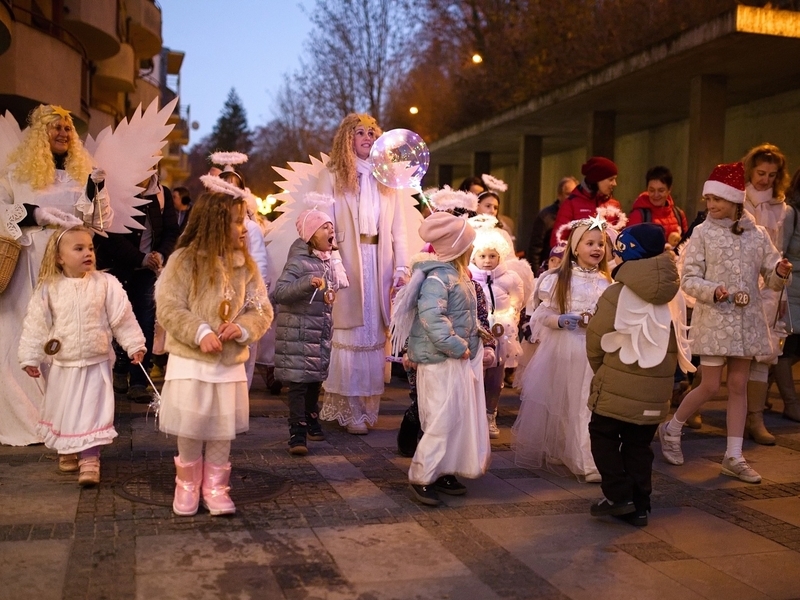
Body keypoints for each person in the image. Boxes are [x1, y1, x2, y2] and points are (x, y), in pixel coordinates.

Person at [658, 163, 791, 484]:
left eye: (718, 199)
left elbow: (771, 276)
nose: (712, 205)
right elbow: (688, 280)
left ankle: (734, 455)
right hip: (716, 319)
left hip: (747, 321)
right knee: (709, 384)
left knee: (738, 386)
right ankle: (671, 428)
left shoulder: (757, 235)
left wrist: (781, 272)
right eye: (709, 200)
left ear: (735, 201)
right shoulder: (702, 234)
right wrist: (713, 291)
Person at [155, 190, 273, 517]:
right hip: (191, 363)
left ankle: (216, 486)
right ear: (215, 222)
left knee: (222, 428)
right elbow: (168, 306)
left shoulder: (245, 266)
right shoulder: (183, 261)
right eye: (237, 221)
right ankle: (187, 484)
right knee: (191, 425)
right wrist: (200, 331)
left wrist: (243, 327)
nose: (244, 228)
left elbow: (261, 309)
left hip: (227, 363)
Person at [0, 104, 110, 446]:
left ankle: (66, 416)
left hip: (69, 266)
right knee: (22, 334)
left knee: (66, 335)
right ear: (40, 132)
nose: (62, 133)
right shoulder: (17, 172)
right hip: (29, 263)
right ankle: (29, 416)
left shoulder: (82, 172)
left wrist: (96, 190)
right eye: (55, 127)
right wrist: (32, 213)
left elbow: (100, 222)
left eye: (67, 128)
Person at [18, 226, 145, 484]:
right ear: (59, 257)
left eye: (89, 248)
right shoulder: (49, 288)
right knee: (63, 408)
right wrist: (30, 356)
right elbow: (36, 324)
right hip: (63, 364)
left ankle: (90, 457)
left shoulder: (106, 285)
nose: (88, 253)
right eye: (78, 249)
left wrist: (135, 345)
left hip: (96, 362)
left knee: (92, 410)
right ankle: (67, 448)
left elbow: (122, 318)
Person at [586, 224, 694, 526]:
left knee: (603, 434)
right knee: (639, 446)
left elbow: (596, 338)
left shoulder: (617, 293)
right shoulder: (675, 296)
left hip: (616, 384)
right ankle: (640, 506)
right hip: (656, 391)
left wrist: (603, 373)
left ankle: (619, 495)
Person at [315, 113, 411, 435]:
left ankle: (368, 407)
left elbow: (398, 227)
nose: (368, 138)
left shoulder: (387, 177)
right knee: (350, 330)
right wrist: (333, 262)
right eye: (360, 133)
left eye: (372, 133)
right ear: (348, 138)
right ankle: (350, 407)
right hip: (347, 259)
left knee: (373, 333)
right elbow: (324, 222)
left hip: (378, 261)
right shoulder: (333, 174)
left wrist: (401, 267)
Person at [391, 212, 491, 506]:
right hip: (440, 359)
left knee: (456, 415)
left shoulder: (457, 276)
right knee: (441, 418)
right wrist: (458, 345)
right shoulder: (438, 277)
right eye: (469, 243)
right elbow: (433, 318)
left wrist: (478, 333)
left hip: (457, 358)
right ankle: (422, 475)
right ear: (459, 246)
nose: (473, 248)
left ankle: (445, 470)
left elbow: (461, 316)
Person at [513, 216, 612, 482]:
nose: (596, 248)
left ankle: (587, 460)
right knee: (566, 400)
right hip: (566, 347)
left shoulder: (607, 282)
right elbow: (541, 315)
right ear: (575, 247)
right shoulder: (557, 279)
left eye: (600, 244)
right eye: (589, 243)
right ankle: (564, 447)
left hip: (595, 349)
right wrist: (560, 320)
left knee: (586, 403)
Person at [95, 172, 178, 402]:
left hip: (147, 272)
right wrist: (140, 257)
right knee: (117, 318)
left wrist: (160, 254)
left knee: (145, 320)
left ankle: (140, 380)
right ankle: (120, 367)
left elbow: (171, 230)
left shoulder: (162, 194)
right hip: (118, 268)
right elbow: (108, 234)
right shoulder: (117, 192)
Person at [273, 196, 336, 455]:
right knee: (298, 384)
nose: (331, 230)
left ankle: (311, 418)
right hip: (297, 334)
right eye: (325, 227)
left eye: (332, 226)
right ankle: (297, 431)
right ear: (311, 235)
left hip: (317, 333)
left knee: (314, 382)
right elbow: (279, 292)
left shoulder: (326, 263)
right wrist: (305, 283)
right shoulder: (298, 262)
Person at [740, 144, 791, 445]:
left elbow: (779, 252)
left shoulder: (782, 208)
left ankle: (754, 419)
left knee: (764, 354)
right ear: (750, 170)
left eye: (772, 175)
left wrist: (781, 289)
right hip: (740, 284)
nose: (765, 180)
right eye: (760, 173)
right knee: (728, 352)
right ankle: (695, 403)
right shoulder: (736, 199)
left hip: (769, 287)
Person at [468, 216, 524, 438]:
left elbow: (517, 301)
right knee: (476, 374)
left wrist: (509, 317)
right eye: (482, 256)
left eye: (492, 256)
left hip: (502, 335)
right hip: (477, 334)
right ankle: (475, 415)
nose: (487, 260)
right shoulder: (471, 279)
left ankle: (490, 413)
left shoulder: (509, 278)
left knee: (496, 376)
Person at [550, 157, 621, 248]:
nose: (615, 183)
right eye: (611, 179)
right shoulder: (572, 204)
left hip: (608, 261)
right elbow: (557, 241)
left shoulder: (614, 205)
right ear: (597, 179)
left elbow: (621, 240)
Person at [780, 167, 800, 423]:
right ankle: (790, 403)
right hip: (791, 287)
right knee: (785, 349)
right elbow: (779, 253)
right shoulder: (791, 213)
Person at [626, 166, 688, 248]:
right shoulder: (638, 215)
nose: (656, 195)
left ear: (669, 190)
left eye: (661, 190)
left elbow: (687, 244)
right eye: (651, 190)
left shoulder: (678, 214)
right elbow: (628, 246)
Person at [527, 176, 578, 270]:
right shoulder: (545, 217)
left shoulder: (578, 215)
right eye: (568, 194)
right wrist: (537, 275)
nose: (572, 198)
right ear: (559, 195)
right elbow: (535, 250)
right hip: (548, 270)